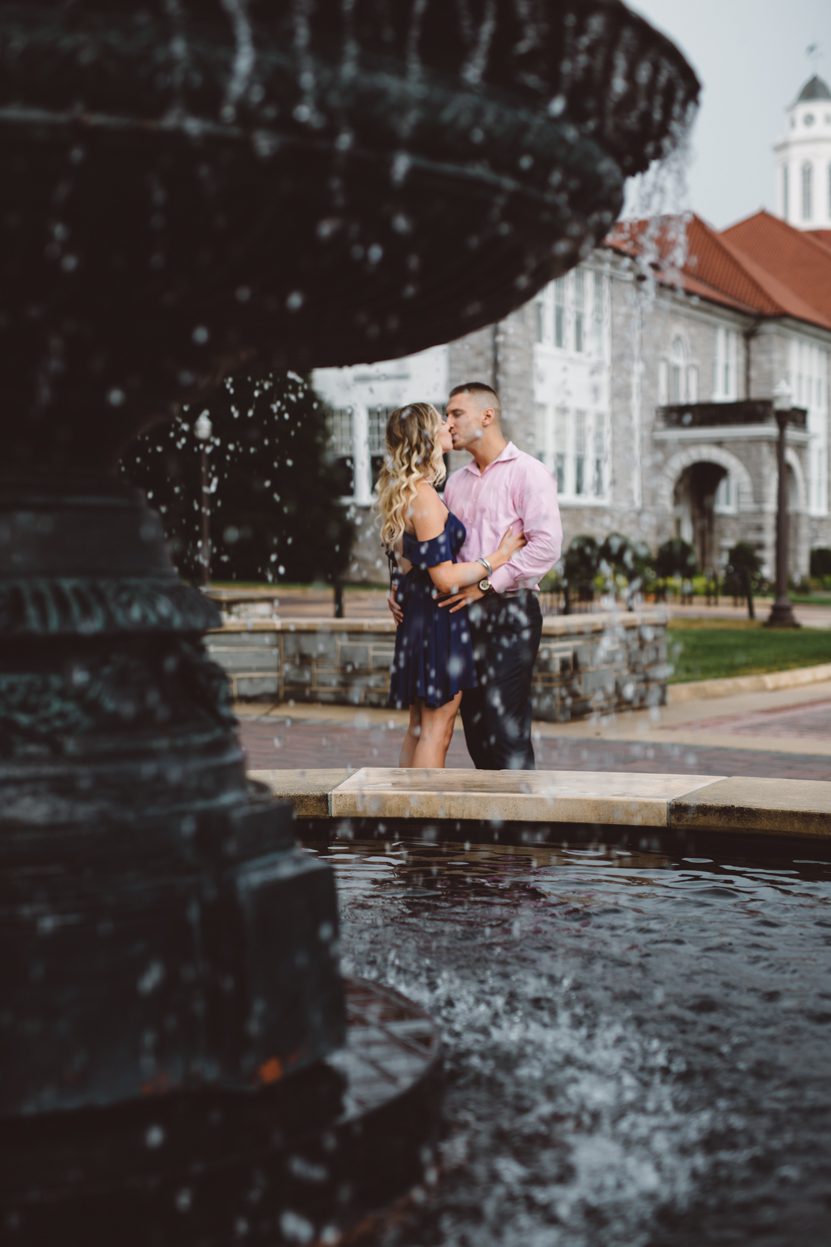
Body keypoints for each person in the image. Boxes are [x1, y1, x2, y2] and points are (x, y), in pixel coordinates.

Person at [377, 402, 526, 768]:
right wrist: (499, 557)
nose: (448, 425)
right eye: (441, 421)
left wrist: (396, 586)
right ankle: (423, 819)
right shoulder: (424, 497)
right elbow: (443, 578)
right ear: (428, 437)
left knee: (419, 726)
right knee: (437, 728)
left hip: (419, 614)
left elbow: (404, 559)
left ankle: (403, 813)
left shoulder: (407, 489)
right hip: (437, 618)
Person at [438, 381, 562, 770]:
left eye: (456, 413)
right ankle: (495, 824)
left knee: (504, 727)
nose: (448, 423)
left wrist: (487, 585)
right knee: (476, 730)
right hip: (461, 614)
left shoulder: (529, 473)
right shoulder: (454, 483)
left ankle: (521, 823)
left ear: (487, 415)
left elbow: (546, 547)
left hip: (510, 611)